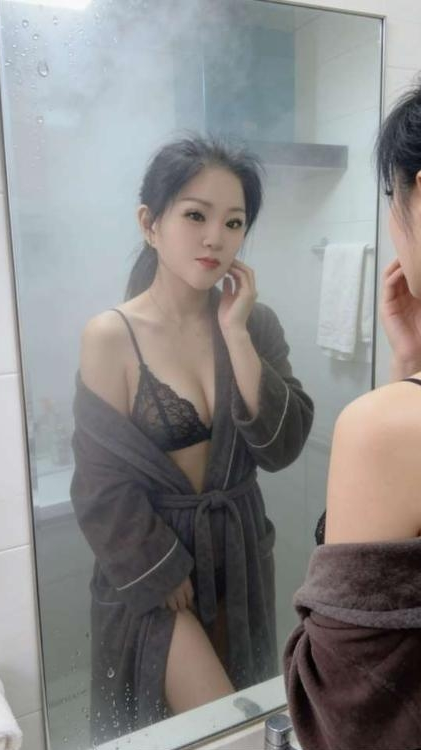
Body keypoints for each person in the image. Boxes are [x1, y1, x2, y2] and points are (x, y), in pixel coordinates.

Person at [70, 135, 314, 742]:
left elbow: (283, 447)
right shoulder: (111, 335)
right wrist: (158, 569)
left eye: (233, 223)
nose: (215, 239)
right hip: (155, 566)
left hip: (238, 551)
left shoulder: (254, 322)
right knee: (221, 728)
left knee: (240, 710)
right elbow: (99, 486)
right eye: (195, 215)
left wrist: (237, 335)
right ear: (150, 224)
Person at [284, 69, 421, 750]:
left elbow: (338, 715)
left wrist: (404, 391)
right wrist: (413, 368)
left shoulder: (385, 430)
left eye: (390, 199)